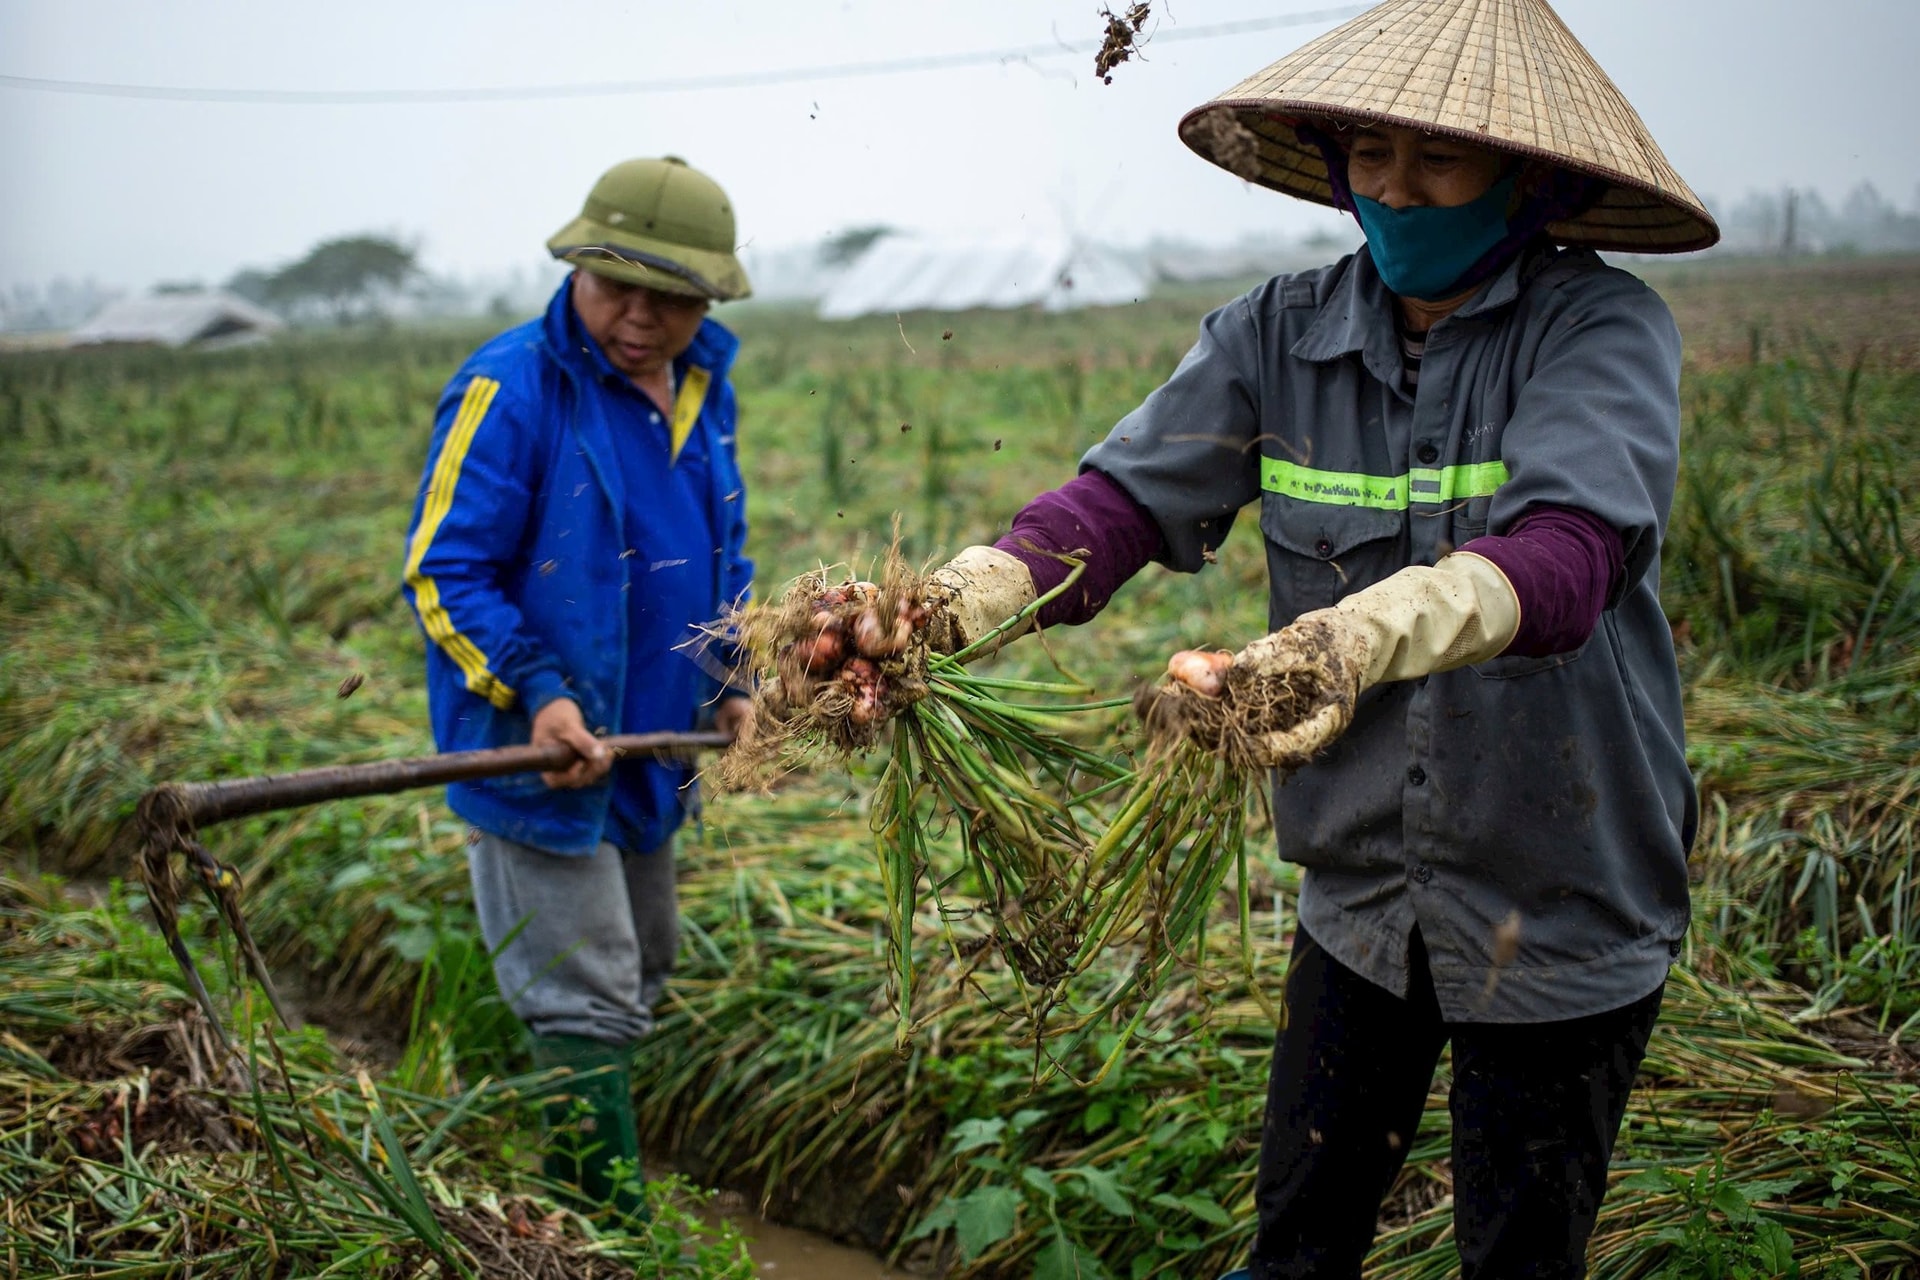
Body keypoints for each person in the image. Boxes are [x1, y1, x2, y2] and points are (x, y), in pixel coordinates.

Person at [922, 1, 1718, 1274]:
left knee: (1519, 1249)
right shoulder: (1275, 334)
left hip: (1558, 886)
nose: (1398, 189)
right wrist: (953, 607)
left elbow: (1564, 562)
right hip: (1361, 897)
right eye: (1370, 154)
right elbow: (1121, 506)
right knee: (1299, 1239)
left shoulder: (1599, 331)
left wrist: (1345, 640)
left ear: (1529, 180)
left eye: (1441, 160)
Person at [400, 155, 755, 1216]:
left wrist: (730, 677)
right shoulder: (512, 388)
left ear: (708, 300)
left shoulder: (702, 390)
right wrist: (537, 690)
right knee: (587, 988)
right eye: (617, 288)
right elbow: (443, 568)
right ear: (576, 269)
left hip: (650, 749)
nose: (641, 318)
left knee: (642, 963)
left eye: (672, 297)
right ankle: (603, 1225)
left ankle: (568, 1177)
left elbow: (718, 551)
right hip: (542, 753)